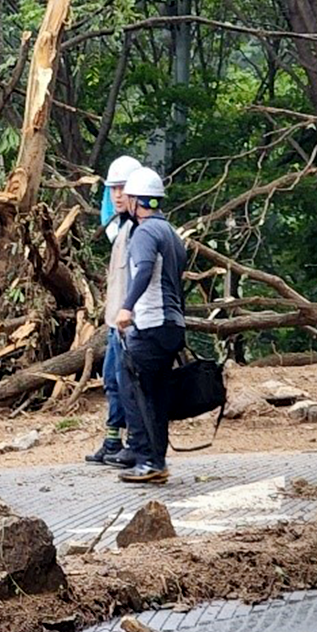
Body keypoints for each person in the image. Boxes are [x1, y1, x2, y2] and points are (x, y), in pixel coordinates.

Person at [115, 167, 187, 485]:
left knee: (135, 390)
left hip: (151, 325)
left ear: (137, 201)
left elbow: (143, 269)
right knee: (156, 394)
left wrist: (126, 307)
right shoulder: (171, 233)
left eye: (128, 196)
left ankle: (146, 459)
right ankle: (157, 461)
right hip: (172, 325)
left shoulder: (144, 233)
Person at [85, 155, 149, 467]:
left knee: (128, 383)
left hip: (133, 324)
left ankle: (138, 444)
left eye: (123, 188)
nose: (118, 195)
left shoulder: (142, 233)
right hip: (116, 322)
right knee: (112, 380)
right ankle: (113, 439)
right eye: (113, 189)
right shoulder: (122, 230)